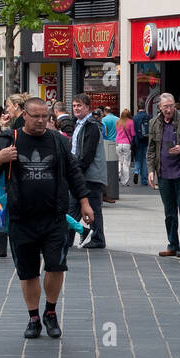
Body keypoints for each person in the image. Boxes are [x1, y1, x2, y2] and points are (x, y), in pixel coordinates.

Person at [0, 96, 94, 339]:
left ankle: (51, 312)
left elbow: (74, 172)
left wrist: (85, 202)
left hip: (54, 218)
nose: (42, 121)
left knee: (56, 266)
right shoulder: (9, 138)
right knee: (29, 271)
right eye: (36, 117)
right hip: (21, 218)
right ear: (24, 115)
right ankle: (33, 317)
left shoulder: (56, 140)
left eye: (46, 116)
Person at [146, 93, 180, 256]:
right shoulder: (154, 123)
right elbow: (151, 149)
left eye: (171, 106)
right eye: (166, 107)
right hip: (163, 174)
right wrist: (150, 170)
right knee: (169, 213)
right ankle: (172, 244)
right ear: (160, 108)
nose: (169, 109)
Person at [0, 94, 26, 259]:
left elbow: (3, 150)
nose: (6, 109)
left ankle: (1, 246)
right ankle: (1, 245)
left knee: (2, 206)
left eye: (8, 106)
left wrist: (4, 130)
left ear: (16, 106)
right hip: (11, 174)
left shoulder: (17, 126)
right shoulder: (16, 124)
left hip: (11, 175)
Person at [69, 93, 108, 249]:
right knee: (73, 207)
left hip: (90, 175)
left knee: (92, 207)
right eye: (74, 106)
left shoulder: (91, 125)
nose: (76, 108)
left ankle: (97, 238)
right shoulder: (78, 124)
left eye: (79, 105)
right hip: (81, 173)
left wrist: (76, 171)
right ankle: (66, 237)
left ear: (87, 107)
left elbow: (88, 153)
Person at [115, 108, 136, 185]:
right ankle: (125, 181)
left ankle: (119, 174)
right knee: (126, 162)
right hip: (127, 143)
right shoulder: (131, 122)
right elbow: (133, 134)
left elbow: (117, 131)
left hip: (118, 143)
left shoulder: (118, 122)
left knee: (119, 161)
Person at [132, 104, 150, 185]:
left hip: (137, 141)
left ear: (137, 107)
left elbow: (133, 132)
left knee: (138, 159)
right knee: (145, 160)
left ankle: (136, 171)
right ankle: (144, 179)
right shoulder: (148, 117)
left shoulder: (135, 118)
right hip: (146, 141)